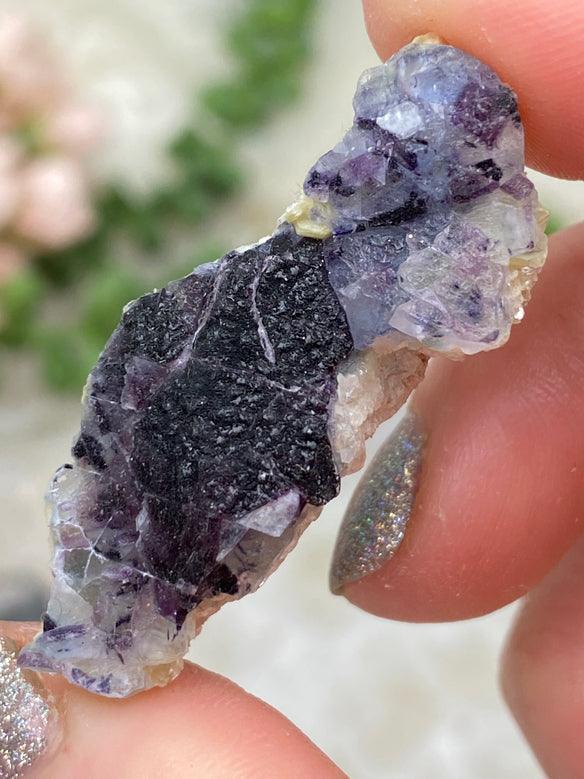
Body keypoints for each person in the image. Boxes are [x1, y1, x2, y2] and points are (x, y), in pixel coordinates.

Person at [2, 0, 584, 775]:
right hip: (203, 402)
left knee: (187, 488)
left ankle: (119, 617)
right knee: (161, 464)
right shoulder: (304, 257)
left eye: (394, 147)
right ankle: (109, 613)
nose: (358, 165)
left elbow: (474, 307)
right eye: (372, 132)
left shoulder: (449, 242)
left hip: (264, 424)